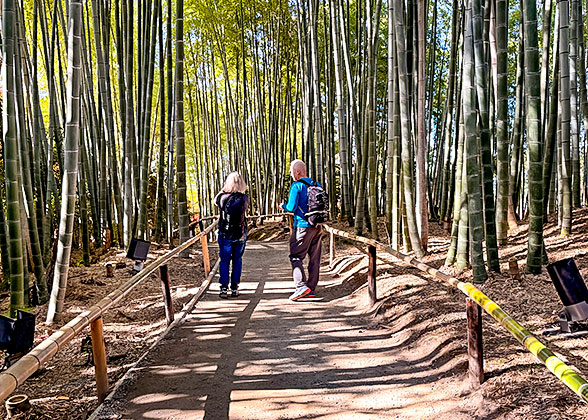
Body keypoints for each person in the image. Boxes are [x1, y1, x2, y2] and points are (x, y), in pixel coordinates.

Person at [280, 160, 323, 301]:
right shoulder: (317, 185)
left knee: (296, 256)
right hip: (317, 226)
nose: (290, 174)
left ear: (297, 172)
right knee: (314, 258)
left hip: (303, 226)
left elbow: (292, 207)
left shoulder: (297, 186)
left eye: (291, 171)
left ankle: (300, 287)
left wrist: (283, 206)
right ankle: (311, 288)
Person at [215, 172, 250, 299]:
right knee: (237, 260)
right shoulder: (244, 198)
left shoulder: (223, 198)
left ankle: (223, 288)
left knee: (224, 260)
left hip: (225, 234)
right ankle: (235, 288)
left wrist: (224, 189)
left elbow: (215, 200)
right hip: (240, 234)